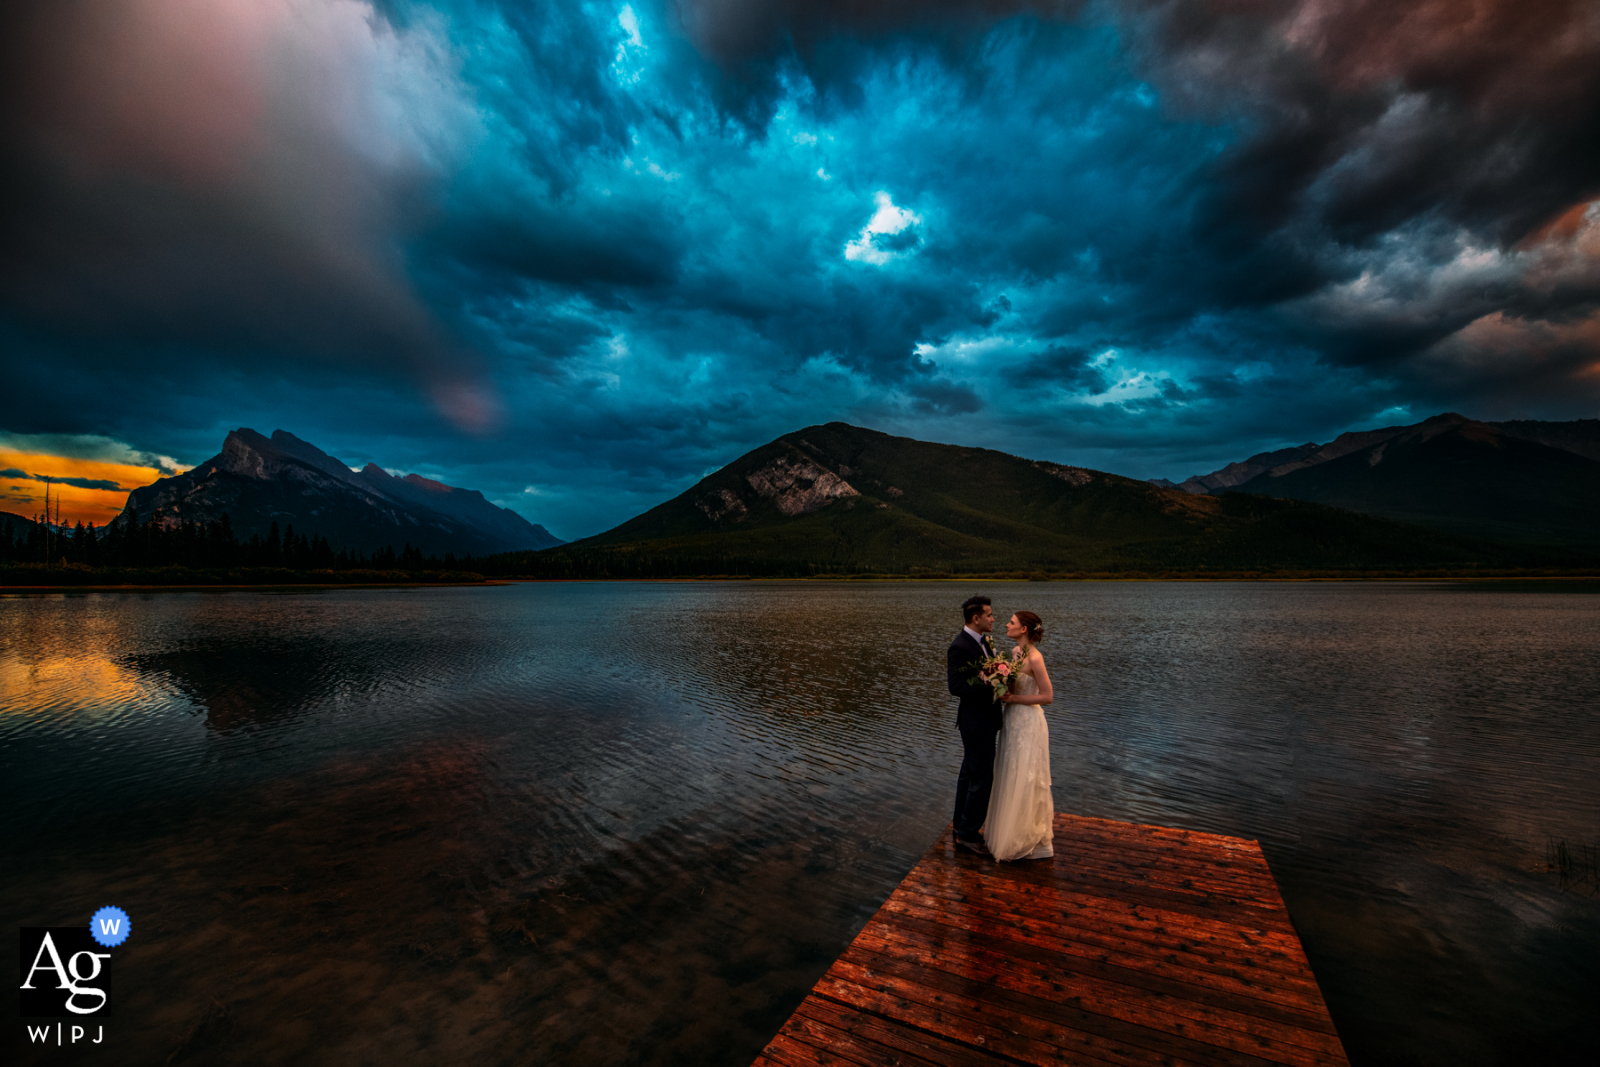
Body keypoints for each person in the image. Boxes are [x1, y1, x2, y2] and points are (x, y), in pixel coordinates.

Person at [981, 610, 1055, 861]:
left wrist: (1014, 698)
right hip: (1012, 720)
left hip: (1029, 722)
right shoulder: (1014, 653)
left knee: (1027, 775)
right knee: (1011, 771)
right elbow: (1012, 686)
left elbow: (1047, 696)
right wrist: (998, 680)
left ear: (1023, 629)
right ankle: (1011, 831)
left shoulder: (1035, 658)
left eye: (1011, 622)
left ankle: (1030, 838)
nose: (1006, 624)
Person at [947, 595, 1003, 854]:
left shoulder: (984, 642)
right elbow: (955, 687)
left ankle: (960, 825)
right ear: (976, 618)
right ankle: (969, 835)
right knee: (981, 777)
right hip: (975, 722)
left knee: (969, 775)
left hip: (983, 721)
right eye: (989, 615)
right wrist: (990, 685)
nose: (993, 619)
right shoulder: (960, 646)